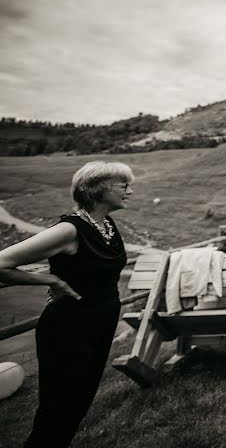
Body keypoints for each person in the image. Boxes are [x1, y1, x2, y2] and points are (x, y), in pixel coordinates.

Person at [0, 161, 134, 448]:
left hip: (99, 324)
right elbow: (1, 263)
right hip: (69, 329)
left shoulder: (106, 224)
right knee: (57, 411)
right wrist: (52, 281)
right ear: (97, 189)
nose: (130, 192)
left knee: (77, 407)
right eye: (123, 186)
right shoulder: (69, 231)